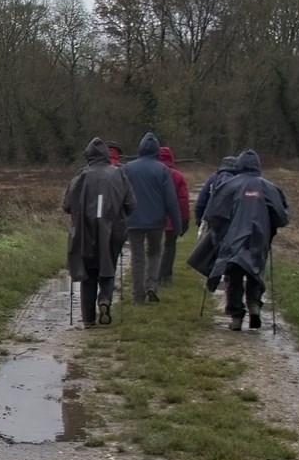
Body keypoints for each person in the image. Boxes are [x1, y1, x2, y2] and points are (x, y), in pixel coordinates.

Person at [195, 148, 288, 329]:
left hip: (233, 239)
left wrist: (218, 229)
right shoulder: (270, 188)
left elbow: (213, 212)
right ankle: (254, 306)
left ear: (239, 165)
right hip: (260, 239)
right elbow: (282, 216)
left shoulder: (229, 186)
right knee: (255, 272)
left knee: (234, 274)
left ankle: (236, 316)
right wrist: (269, 225)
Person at [62, 138, 131, 325]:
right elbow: (130, 204)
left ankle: (88, 319)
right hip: (112, 230)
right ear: (106, 155)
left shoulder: (79, 176)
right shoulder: (119, 175)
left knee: (88, 273)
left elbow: (67, 205)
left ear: (88, 155)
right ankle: (105, 300)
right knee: (108, 266)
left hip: (85, 232)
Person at [120, 133, 182, 304]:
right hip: (156, 220)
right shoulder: (162, 170)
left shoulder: (127, 168)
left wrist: (119, 217)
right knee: (154, 253)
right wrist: (176, 223)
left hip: (132, 220)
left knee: (137, 257)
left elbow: (121, 195)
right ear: (156, 150)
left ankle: (138, 295)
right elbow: (171, 199)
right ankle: (152, 286)